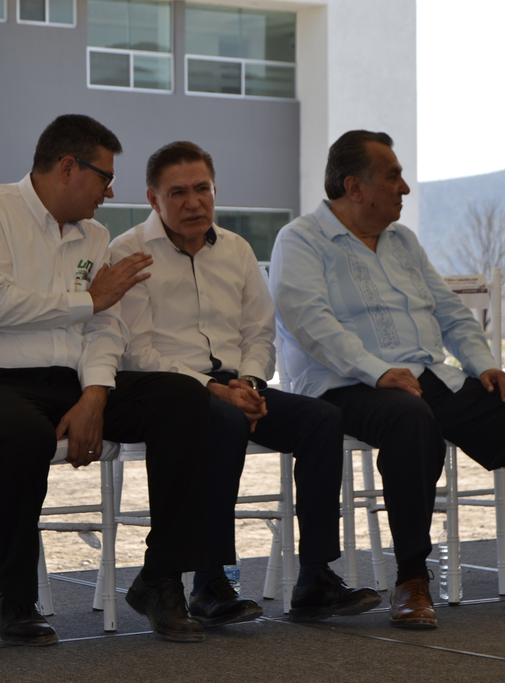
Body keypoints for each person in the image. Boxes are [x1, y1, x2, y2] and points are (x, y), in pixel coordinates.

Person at [270, 129, 505, 630]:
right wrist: (377, 370)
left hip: (426, 376)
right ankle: (411, 578)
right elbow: (311, 323)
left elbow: (451, 314)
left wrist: (485, 366)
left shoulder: (403, 241)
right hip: (342, 385)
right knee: (410, 418)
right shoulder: (301, 239)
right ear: (354, 186)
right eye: (393, 176)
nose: (405, 187)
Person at [0, 115, 212, 644]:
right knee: (23, 434)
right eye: (104, 177)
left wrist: (95, 394)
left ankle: (161, 579)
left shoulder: (96, 235)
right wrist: (87, 300)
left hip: (69, 384)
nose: (109, 192)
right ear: (68, 167)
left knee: (182, 398)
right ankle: (16, 600)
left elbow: (106, 326)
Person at [111, 141, 380, 625]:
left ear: (215, 190)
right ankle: (210, 583)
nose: (194, 203)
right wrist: (213, 389)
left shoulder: (236, 249)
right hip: (171, 393)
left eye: (202, 189)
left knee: (323, 419)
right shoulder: (129, 252)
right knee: (225, 420)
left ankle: (315, 577)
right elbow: (137, 351)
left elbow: (259, 333)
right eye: (178, 193)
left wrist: (250, 383)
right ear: (152, 199)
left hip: (238, 386)